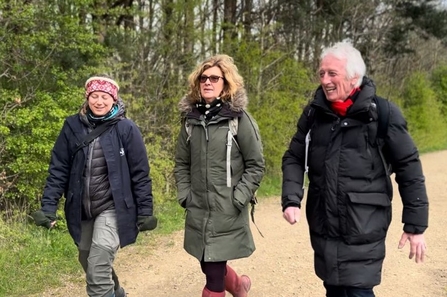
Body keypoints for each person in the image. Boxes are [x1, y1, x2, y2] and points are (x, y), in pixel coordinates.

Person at [281, 42, 429, 297]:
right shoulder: (314, 114)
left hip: (363, 224)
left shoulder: (383, 114)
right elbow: (294, 157)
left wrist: (415, 225)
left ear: (354, 77)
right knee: (334, 288)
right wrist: (291, 198)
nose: (324, 80)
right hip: (324, 222)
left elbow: (409, 168)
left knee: (357, 289)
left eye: (332, 74)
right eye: (321, 73)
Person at [32, 75, 157, 297]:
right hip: (81, 208)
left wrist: (145, 211)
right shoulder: (72, 126)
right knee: (87, 259)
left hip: (114, 208)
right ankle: (117, 293)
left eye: (105, 97)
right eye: (94, 96)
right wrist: (48, 206)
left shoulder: (126, 129)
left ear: (114, 100)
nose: (99, 101)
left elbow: (140, 173)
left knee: (98, 269)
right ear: (87, 98)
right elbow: (58, 168)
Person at [174, 54, 265, 297]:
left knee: (214, 275)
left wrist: (238, 198)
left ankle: (230, 288)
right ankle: (239, 286)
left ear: (226, 83)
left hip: (227, 209)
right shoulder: (190, 121)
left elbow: (256, 165)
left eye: (215, 78)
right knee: (208, 263)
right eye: (203, 78)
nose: (208, 82)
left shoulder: (239, 119)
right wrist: (185, 195)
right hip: (198, 209)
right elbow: (181, 163)